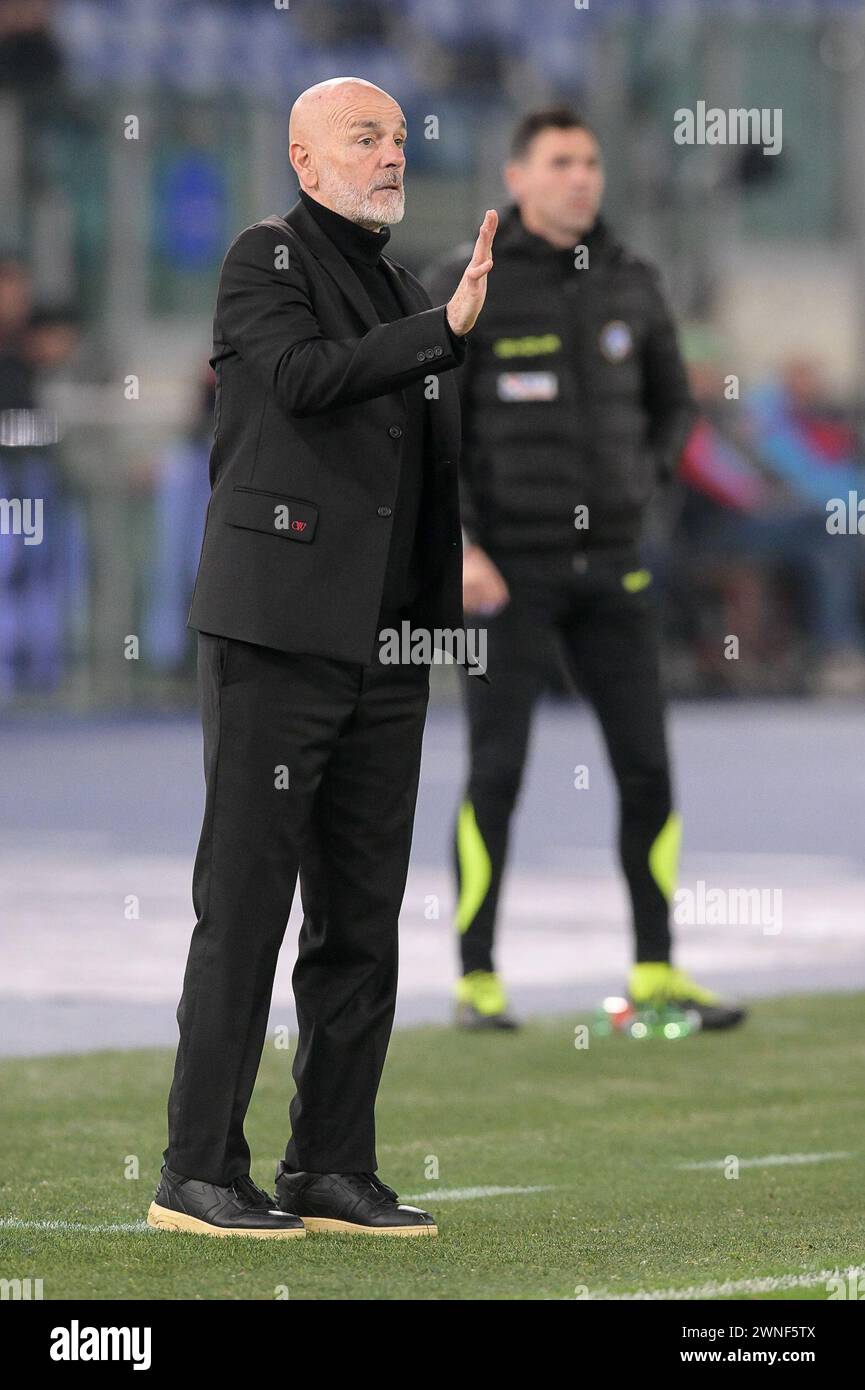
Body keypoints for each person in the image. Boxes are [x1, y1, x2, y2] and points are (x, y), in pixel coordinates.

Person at [148, 76, 497, 1238]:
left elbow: (415, 464)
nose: (391, 154)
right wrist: (439, 336)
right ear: (304, 161)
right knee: (244, 906)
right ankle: (197, 1170)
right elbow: (301, 380)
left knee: (361, 916)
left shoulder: (403, 285)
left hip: (385, 645)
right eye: (365, 137)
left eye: (400, 137)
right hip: (279, 632)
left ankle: (330, 1166)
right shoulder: (268, 260)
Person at [424, 107, 746, 1033]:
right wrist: (462, 546)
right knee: (498, 769)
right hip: (504, 573)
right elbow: (428, 427)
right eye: (561, 162)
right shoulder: (467, 281)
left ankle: (654, 973)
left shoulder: (632, 280)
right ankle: (476, 979)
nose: (581, 177)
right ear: (516, 176)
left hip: (612, 565)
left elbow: (674, 407)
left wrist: (640, 487)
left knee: (646, 769)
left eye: (592, 162)